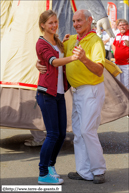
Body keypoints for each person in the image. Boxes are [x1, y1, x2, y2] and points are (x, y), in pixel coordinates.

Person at [37, 9, 106, 184]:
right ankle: (84, 172)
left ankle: (98, 170)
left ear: (90, 21)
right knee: (77, 132)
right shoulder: (72, 40)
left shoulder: (95, 41)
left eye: (80, 21)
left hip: (91, 89)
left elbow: (99, 71)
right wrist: (38, 63)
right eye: (74, 21)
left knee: (86, 130)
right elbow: (54, 57)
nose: (76, 24)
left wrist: (83, 59)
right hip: (75, 91)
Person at [36, 10, 79, 185]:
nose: (54, 25)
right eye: (50, 23)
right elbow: (53, 61)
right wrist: (73, 57)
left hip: (59, 93)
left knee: (61, 134)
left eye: (55, 22)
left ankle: (51, 166)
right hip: (46, 93)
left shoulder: (57, 41)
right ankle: (43, 173)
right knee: (52, 134)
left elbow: (58, 55)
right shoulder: (41, 43)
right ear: (43, 25)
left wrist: (67, 42)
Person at [112, 19, 129, 89]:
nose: (122, 27)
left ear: (127, 26)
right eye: (120, 25)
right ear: (118, 27)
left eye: (124, 25)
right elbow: (113, 45)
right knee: (119, 84)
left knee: (126, 85)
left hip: (126, 65)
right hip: (118, 63)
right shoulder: (118, 35)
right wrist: (115, 54)